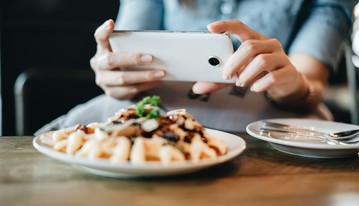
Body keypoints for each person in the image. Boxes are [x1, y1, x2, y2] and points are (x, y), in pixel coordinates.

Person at [36, 0, 357, 134]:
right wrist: (114, 76)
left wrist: (291, 85)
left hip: (267, 121)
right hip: (156, 114)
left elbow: (311, 87)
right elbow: (126, 54)